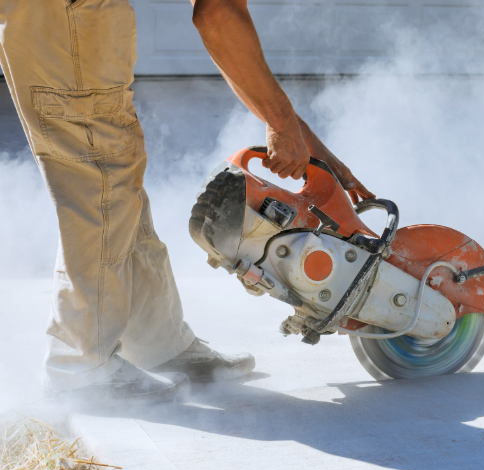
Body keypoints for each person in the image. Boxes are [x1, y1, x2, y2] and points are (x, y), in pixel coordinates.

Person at [0, 0, 373, 402]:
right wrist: (281, 124)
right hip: (64, 20)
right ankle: (80, 365)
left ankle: (157, 345)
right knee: (99, 181)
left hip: (73, 19)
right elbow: (217, 13)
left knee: (117, 179)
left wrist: (301, 140)